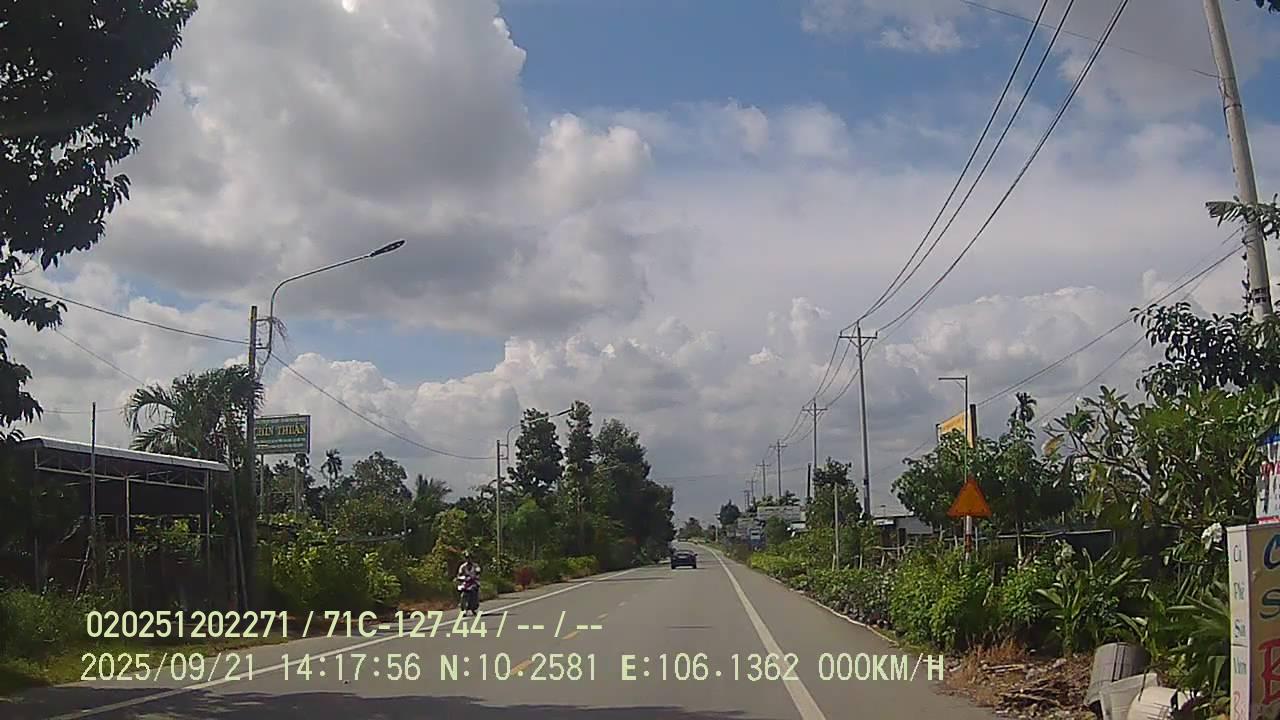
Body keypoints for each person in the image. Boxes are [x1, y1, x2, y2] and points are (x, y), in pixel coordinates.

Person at [456, 551, 482, 615]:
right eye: (467, 558)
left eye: (469, 558)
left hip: (474, 582)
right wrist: (461, 578)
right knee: (461, 591)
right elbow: (459, 575)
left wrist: (476, 577)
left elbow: (478, 573)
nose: (468, 559)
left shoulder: (475, 566)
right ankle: (462, 607)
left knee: (474, 590)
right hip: (465, 583)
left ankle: (474, 606)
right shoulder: (462, 567)